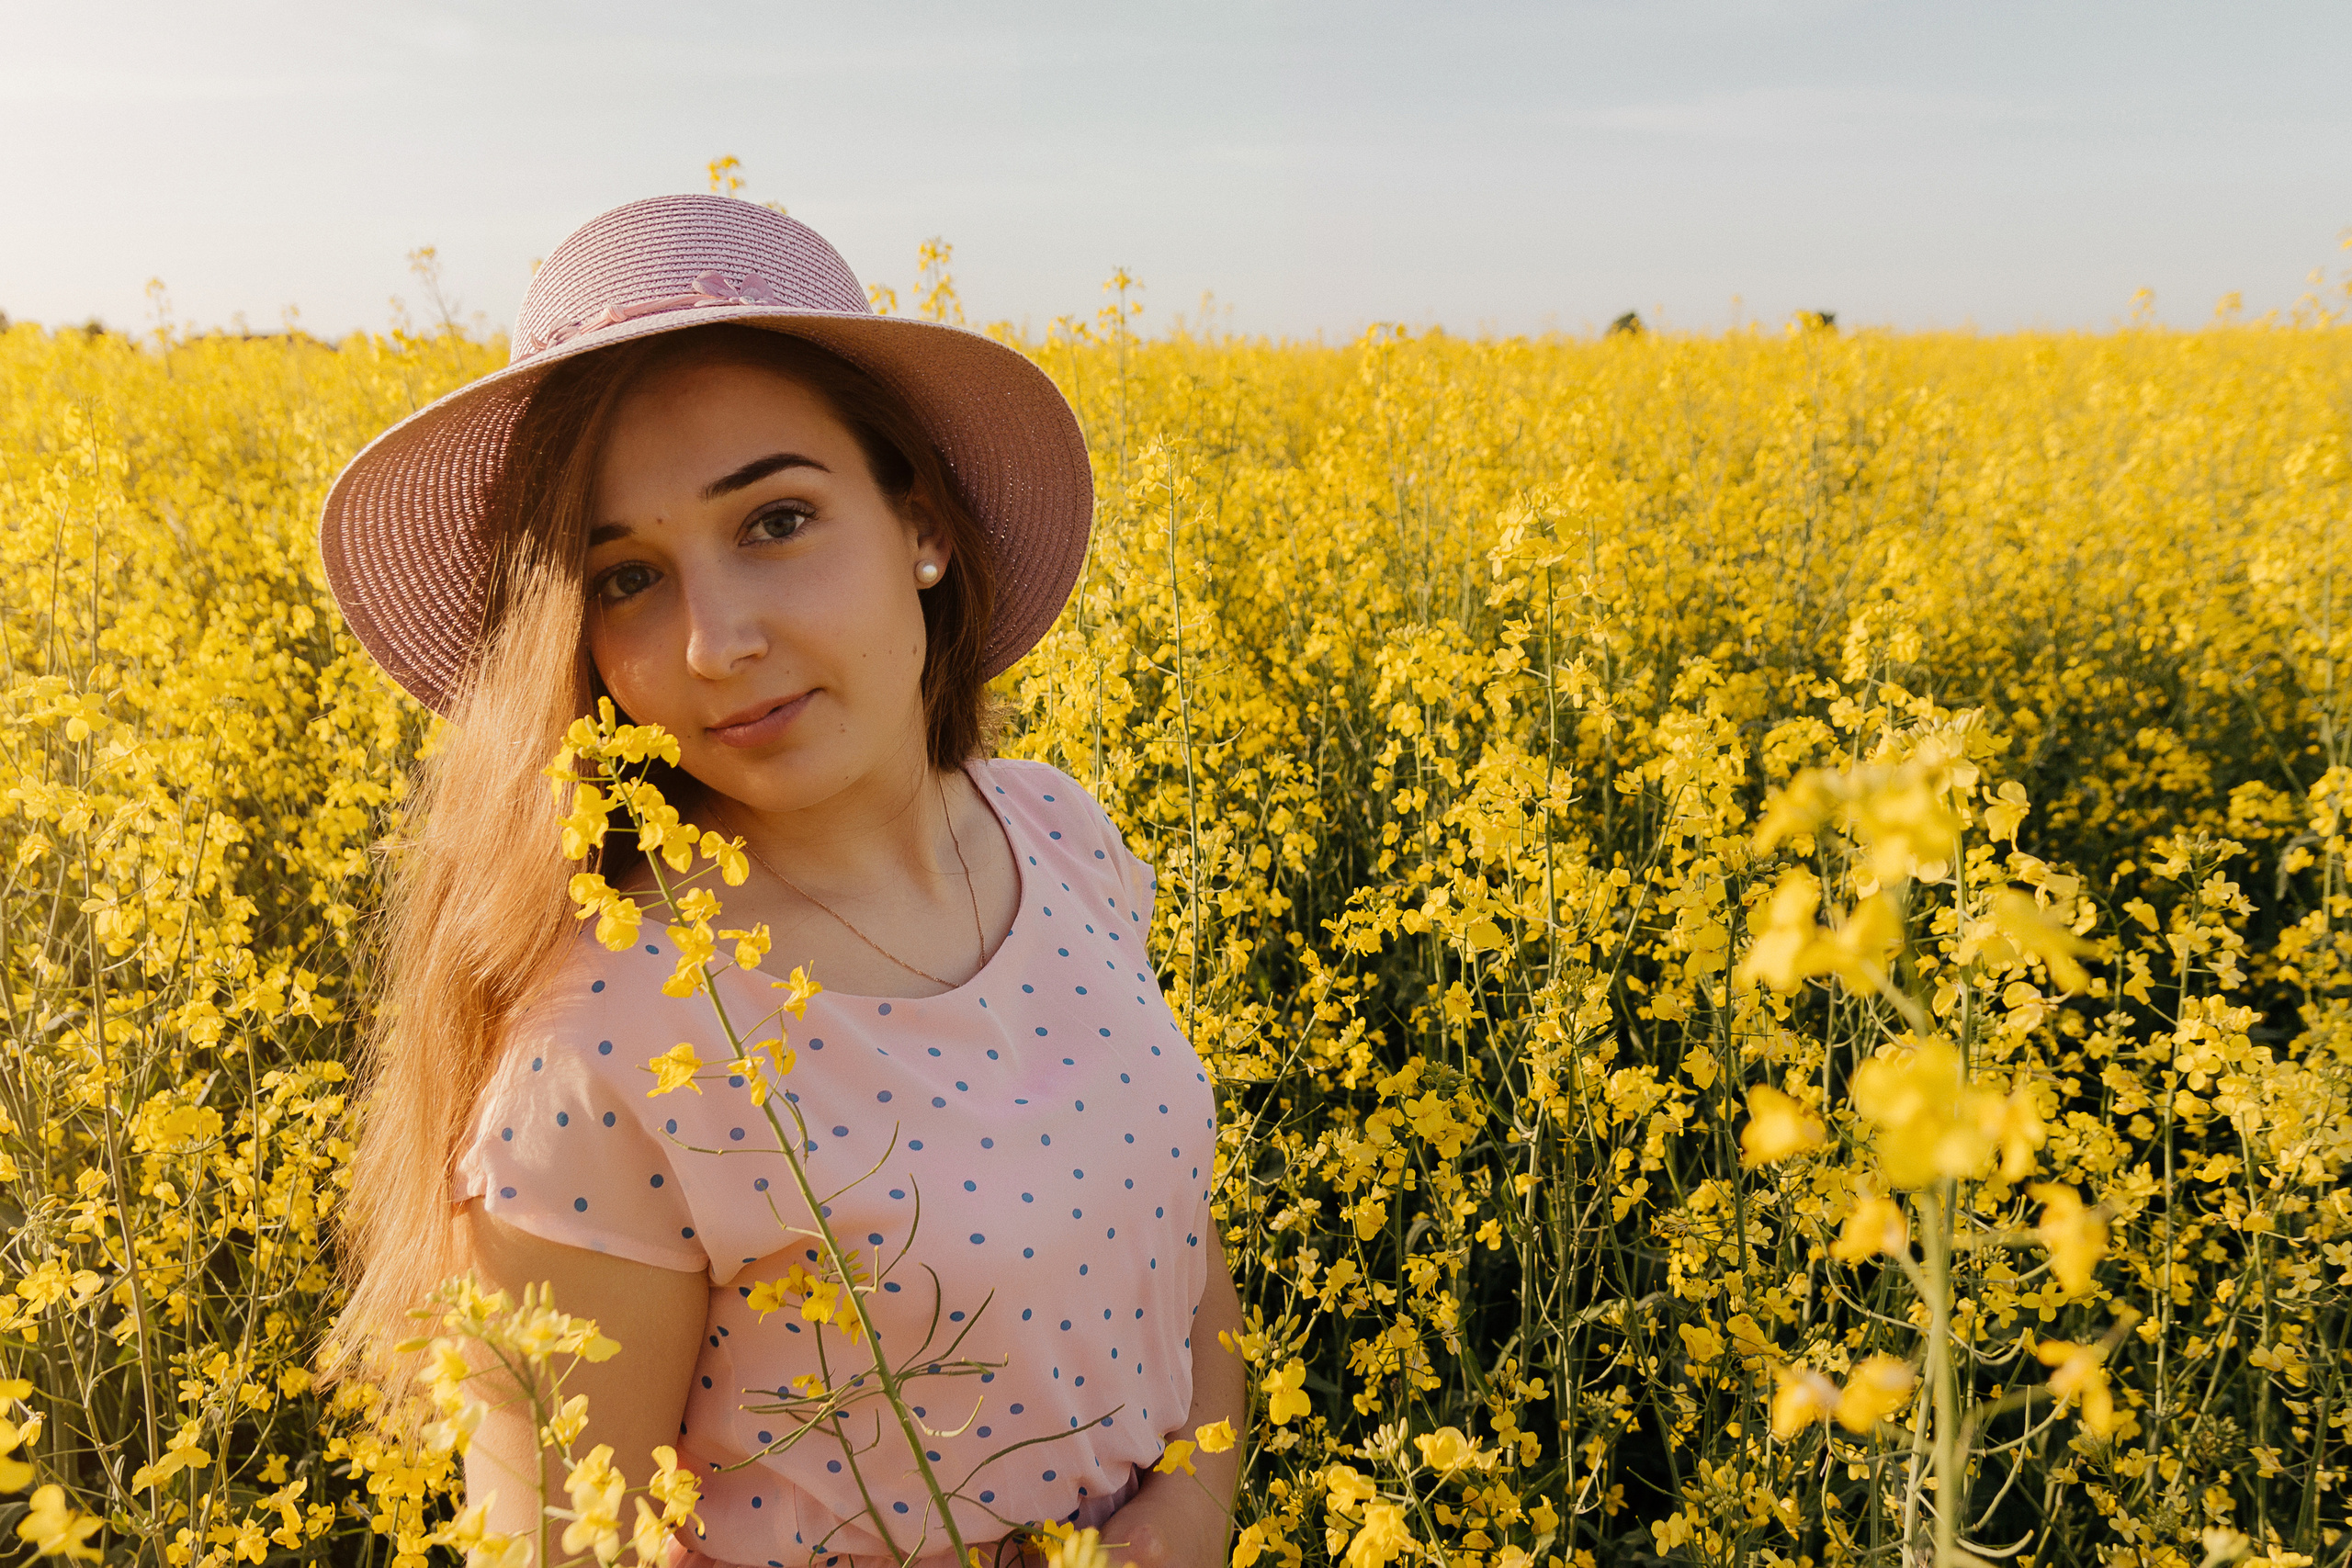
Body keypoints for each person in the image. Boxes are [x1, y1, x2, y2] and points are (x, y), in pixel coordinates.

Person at [321, 194, 1245, 1568]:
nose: (715, 643)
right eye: (626, 577)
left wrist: (1193, 1507)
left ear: (920, 525)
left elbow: (1175, 1249)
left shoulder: (1056, 835)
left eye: (776, 520)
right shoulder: (607, 1050)